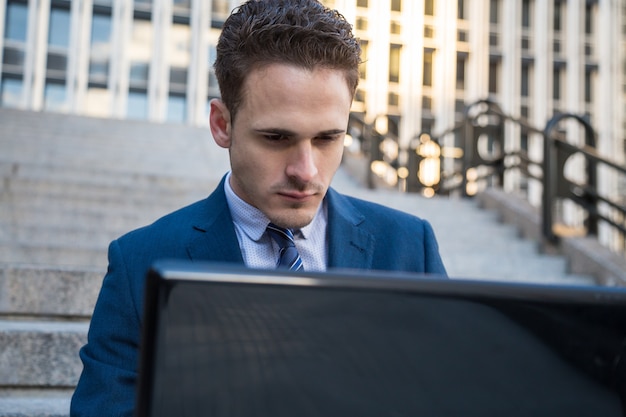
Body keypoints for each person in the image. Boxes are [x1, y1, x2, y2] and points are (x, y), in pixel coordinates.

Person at [70, 0, 447, 415]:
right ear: (222, 124)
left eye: (327, 139)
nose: (306, 171)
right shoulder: (139, 262)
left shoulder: (411, 247)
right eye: (276, 138)